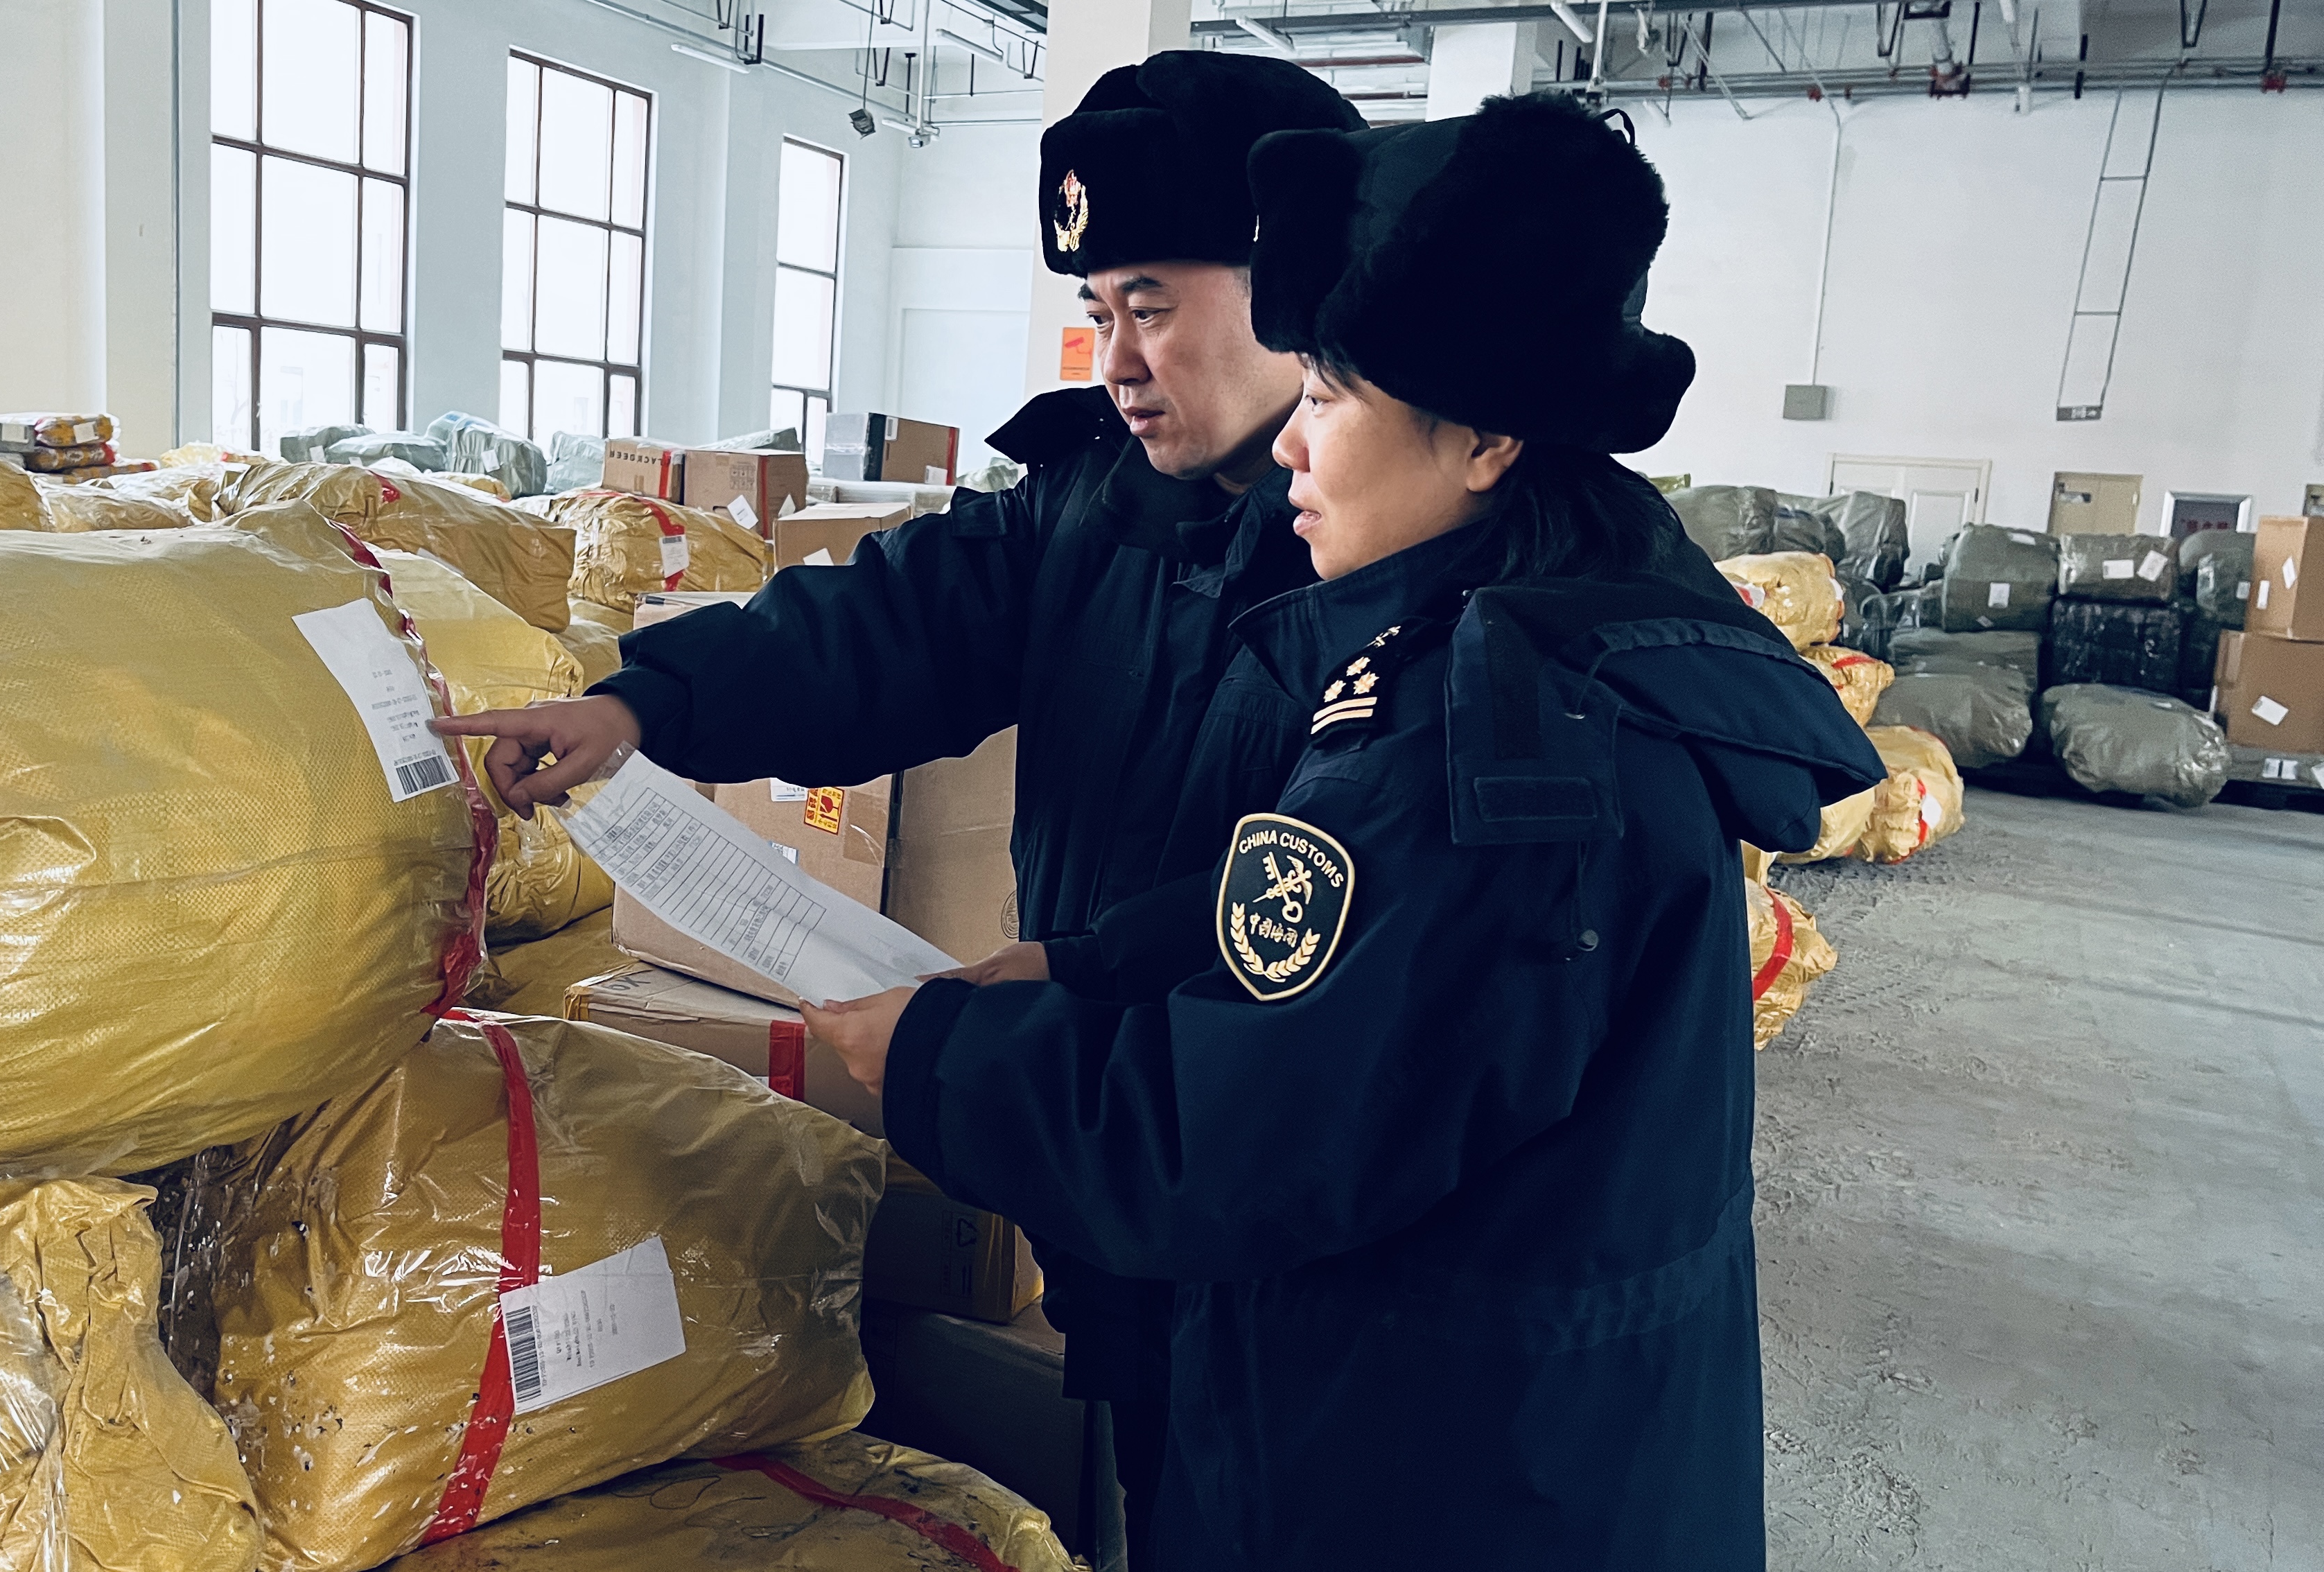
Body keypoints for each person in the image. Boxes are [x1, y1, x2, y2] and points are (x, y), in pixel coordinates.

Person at [799, 96, 1886, 1567]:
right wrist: (1090, 962)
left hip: (1448, 1489)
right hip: (1494, 1443)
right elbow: (1350, 939)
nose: (1294, 448)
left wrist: (932, 1059)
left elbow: (1238, 1140)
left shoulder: (1503, 756)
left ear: (1486, 436)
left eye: (1326, 394)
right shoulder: (1509, 652)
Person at [435, 51, 1363, 1569]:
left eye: (1153, 304)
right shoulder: (1093, 506)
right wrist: (645, 704)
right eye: (1101, 311)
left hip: (1271, 1180)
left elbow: (1340, 914)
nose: (1119, 362)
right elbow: (887, 627)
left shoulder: (1378, 557)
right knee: (1159, 1468)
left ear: (1296, 281)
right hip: (1104, 1140)